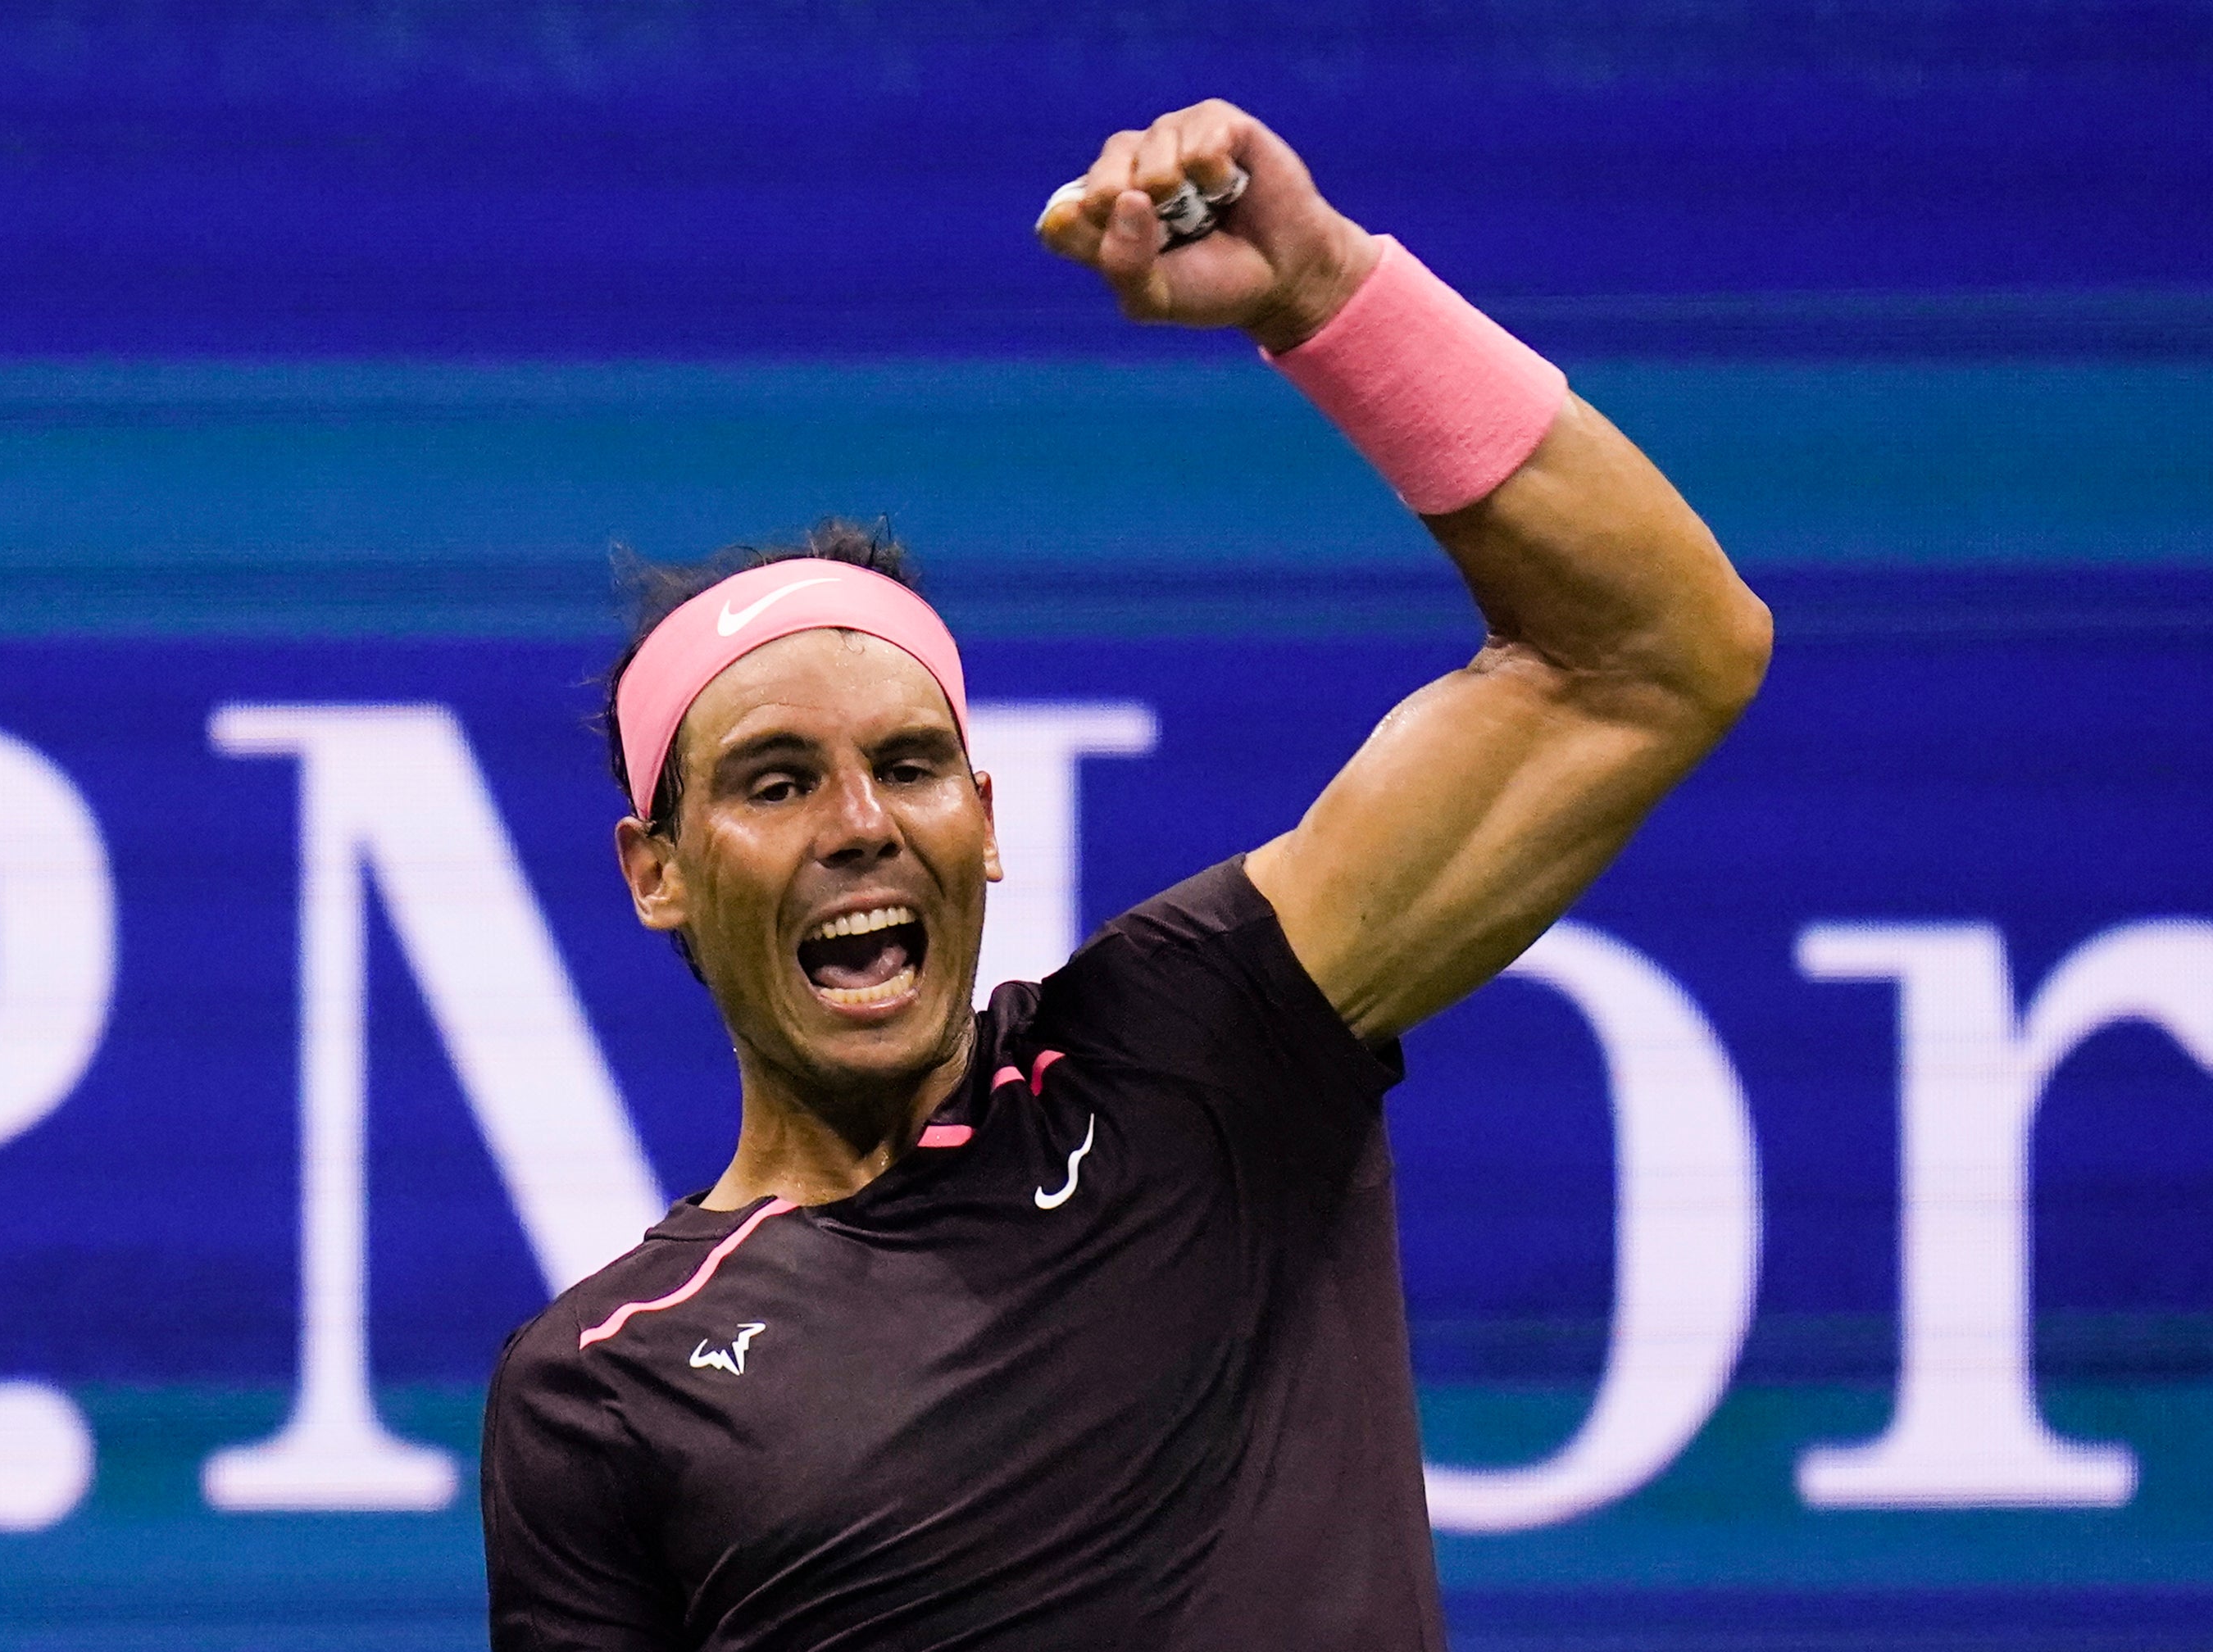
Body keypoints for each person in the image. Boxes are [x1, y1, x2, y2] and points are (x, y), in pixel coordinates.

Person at [481, 99, 1771, 1651]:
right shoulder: (604, 1385)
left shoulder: (1196, 1048)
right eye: (775, 782)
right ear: (658, 871)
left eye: (909, 765)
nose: (860, 824)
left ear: (986, 817)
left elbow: (1655, 657)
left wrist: (1324, 292)